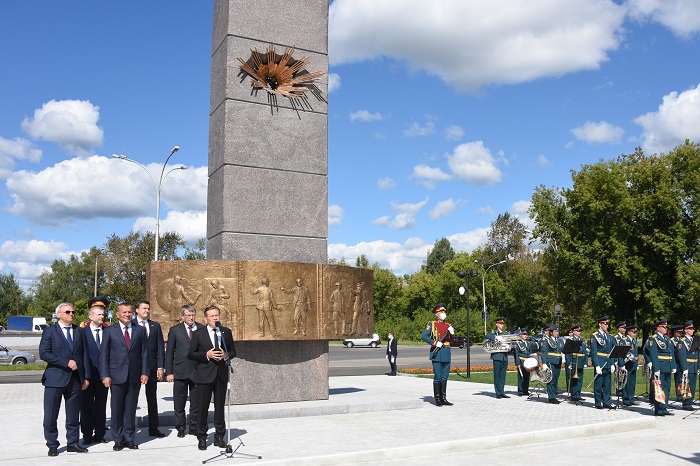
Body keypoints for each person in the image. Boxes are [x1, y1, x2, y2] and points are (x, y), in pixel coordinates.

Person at [40, 302, 90, 456]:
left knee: (74, 415)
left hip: (75, 380)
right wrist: (65, 362)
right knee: (51, 415)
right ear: (58, 314)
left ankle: (73, 443)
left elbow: (85, 356)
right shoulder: (50, 331)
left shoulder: (79, 331)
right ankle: (52, 444)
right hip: (55, 379)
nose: (71, 314)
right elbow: (44, 353)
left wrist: (86, 377)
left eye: (73, 312)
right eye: (67, 312)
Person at [99, 302, 149, 450]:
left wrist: (145, 372)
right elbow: (104, 355)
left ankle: (130, 438)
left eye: (129, 312)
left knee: (130, 409)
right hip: (116, 376)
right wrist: (105, 375)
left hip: (134, 376)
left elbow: (144, 354)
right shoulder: (109, 331)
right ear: (118, 314)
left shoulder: (139, 330)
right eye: (124, 312)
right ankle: (118, 439)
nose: (127, 315)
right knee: (117, 409)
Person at [188, 305, 236, 451]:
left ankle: (219, 437)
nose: (215, 318)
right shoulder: (198, 333)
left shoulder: (225, 332)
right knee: (203, 407)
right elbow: (191, 354)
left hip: (221, 374)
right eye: (212, 316)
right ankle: (202, 437)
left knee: (219, 407)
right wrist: (206, 355)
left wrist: (226, 355)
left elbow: (233, 351)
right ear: (206, 318)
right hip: (204, 374)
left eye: (217, 315)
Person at [132, 299, 166, 437]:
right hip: (135, 368)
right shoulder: (131, 325)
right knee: (132, 399)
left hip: (152, 367)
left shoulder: (154, 326)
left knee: (152, 399)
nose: (146, 311)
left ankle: (154, 428)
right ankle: (130, 429)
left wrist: (161, 367)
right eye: (144, 308)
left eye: (148, 308)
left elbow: (159, 347)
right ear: (137, 310)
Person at [165, 304, 200, 437]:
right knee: (179, 401)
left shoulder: (201, 328)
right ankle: (180, 427)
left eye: (193, 315)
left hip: (197, 371)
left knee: (196, 402)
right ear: (182, 316)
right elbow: (169, 353)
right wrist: (169, 372)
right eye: (188, 315)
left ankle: (194, 427)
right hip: (180, 371)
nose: (191, 318)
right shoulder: (175, 330)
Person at [81, 297, 110, 445]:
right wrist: (83, 376)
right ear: (90, 316)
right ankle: (86, 434)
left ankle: (100, 434)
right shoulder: (82, 332)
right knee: (86, 407)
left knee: (101, 406)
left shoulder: (108, 331)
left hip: (103, 377)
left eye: (103, 314)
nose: (101, 317)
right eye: (98, 314)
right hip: (88, 376)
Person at [421, 303, 455, 406]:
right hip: (437, 352)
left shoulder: (448, 325)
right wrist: (435, 343)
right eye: (441, 312)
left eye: (444, 312)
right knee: (438, 377)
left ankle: (443, 398)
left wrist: (452, 333)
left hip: (446, 352)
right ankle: (437, 398)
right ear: (437, 314)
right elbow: (424, 336)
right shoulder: (432, 324)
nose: (443, 313)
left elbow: (451, 340)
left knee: (444, 377)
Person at [645, 318, 676, 416]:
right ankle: (658, 409)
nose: (666, 328)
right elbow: (653, 355)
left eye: (666, 327)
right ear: (658, 328)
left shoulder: (667, 339)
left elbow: (671, 354)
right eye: (664, 327)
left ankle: (664, 407)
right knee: (659, 388)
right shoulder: (653, 339)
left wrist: (673, 366)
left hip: (668, 366)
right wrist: (656, 368)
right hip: (660, 366)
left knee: (666, 387)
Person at [590, 315, 615, 409]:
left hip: (608, 363)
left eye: (608, 324)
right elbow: (594, 352)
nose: (607, 326)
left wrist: (612, 363)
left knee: (607, 385)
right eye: (605, 324)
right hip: (600, 363)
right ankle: (598, 403)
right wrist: (596, 365)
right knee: (598, 384)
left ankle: (606, 402)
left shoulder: (609, 336)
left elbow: (611, 352)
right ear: (600, 324)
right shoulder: (595, 336)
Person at [484, 317, 510, 399]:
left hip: (504, 357)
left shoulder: (505, 333)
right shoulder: (494, 332)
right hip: (497, 357)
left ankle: (502, 392)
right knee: (497, 375)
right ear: (497, 324)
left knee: (503, 376)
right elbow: (487, 335)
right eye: (500, 324)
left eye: (503, 324)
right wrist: (495, 338)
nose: (502, 325)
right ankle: (497, 392)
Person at [675, 320, 698, 411]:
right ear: (685, 330)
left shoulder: (694, 340)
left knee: (692, 385)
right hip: (688, 365)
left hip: (694, 365)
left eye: (693, 329)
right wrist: (684, 368)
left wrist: (698, 366)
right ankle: (686, 403)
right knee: (686, 385)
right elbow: (682, 356)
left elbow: (697, 354)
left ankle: (690, 401)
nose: (693, 330)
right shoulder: (682, 342)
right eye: (690, 329)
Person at [540, 324, 564, 404]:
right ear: (551, 332)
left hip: (558, 361)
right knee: (551, 379)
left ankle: (554, 395)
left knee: (556, 379)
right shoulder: (546, 340)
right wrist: (544, 363)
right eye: (556, 331)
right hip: (550, 361)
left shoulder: (559, 340)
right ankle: (552, 397)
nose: (557, 333)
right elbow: (544, 352)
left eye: (558, 331)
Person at [566, 324, 588, 402]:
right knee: (574, 379)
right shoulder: (570, 340)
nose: (579, 332)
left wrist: (586, 362)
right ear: (574, 331)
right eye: (578, 331)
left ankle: (578, 394)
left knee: (580, 379)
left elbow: (585, 352)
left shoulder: (582, 340)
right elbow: (567, 353)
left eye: (580, 331)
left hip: (581, 360)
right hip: (574, 360)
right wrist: (569, 363)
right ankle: (573, 394)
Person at [514, 327, 536, 396]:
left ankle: (526, 390)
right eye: (524, 334)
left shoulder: (528, 343)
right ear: (520, 335)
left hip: (528, 361)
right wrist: (517, 363)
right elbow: (516, 354)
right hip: (521, 360)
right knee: (521, 376)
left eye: (526, 334)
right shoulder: (517, 343)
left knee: (527, 376)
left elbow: (529, 353)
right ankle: (520, 390)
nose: (525, 336)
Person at [622, 323, 639, 406]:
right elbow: (624, 352)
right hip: (627, 363)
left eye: (636, 332)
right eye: (633, 332)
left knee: (632, 382)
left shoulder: (634, 341)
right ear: (628, 332)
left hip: (634, 363)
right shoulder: (625, 340)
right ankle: (625, 399)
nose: (635, 334)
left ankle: (631, 398)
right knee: (626, 381)